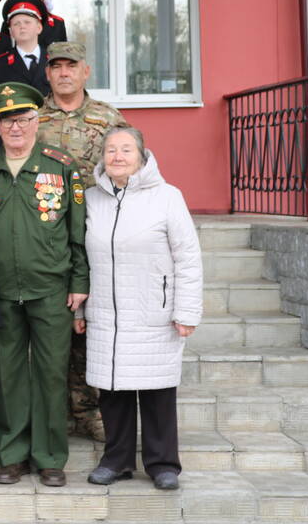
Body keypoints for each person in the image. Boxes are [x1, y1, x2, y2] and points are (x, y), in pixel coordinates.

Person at [0, 82, 88, 488]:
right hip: (1, 289)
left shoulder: (62, 167)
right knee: (9, 375)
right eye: (7, 121)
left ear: (38, 121)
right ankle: (12, 455)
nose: (15, 127)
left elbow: (77, 230)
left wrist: (79, 281)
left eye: (22, 119)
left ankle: (50, 457)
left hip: (52, 289)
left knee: (52, 374)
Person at [81, 127, 202, 491]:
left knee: (157, 390)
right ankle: (116, 461)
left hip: (153, 311)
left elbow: (188, 257)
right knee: (113, 390)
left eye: (126, 149)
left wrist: (187, 311)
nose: (117, 156)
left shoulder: (167, 197)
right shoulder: (92, 198)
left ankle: (163, 464)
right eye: (111, 150)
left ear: (142, 156)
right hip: (106, 312)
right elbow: (80, 258)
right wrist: (79, 310)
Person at [38, 40, 130, 442]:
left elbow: (129, 169)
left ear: (85, 71)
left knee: (91, 323)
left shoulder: (108, 118)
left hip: (96, 232)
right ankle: (55, 409)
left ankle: (89, 408)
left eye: (71, 66)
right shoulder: (34, 118)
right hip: (48, 236)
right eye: (56, 66)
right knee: (55, 321)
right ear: (47, 73)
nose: (64, 73)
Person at [0, 0, 51, 96]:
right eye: (16, 24)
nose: (22, 27)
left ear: (39, 28)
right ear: (11, 31)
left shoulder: (54, 60)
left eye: (27, 22)